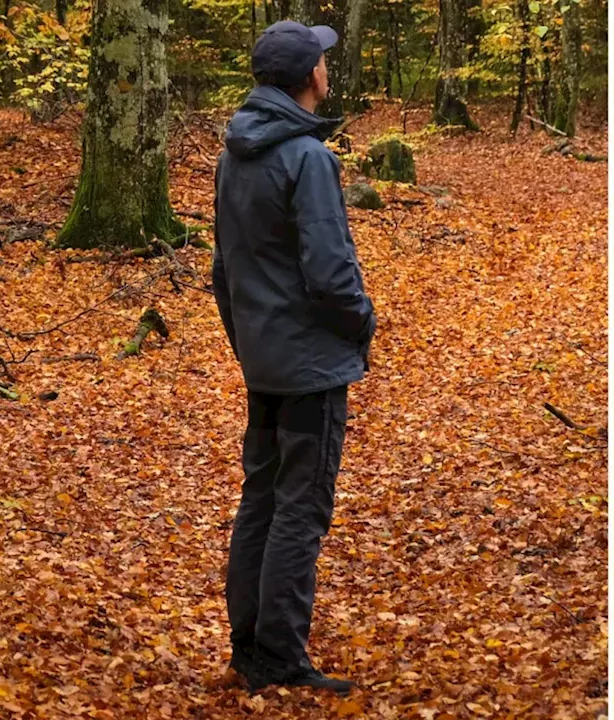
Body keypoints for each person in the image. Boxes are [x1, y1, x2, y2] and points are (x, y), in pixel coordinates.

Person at [211, 19, 376, 695]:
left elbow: (223, 271)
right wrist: (359, 324)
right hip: (308, 363)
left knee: (261, 500)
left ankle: (248, 647)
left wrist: (248, 341)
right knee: (299, 507)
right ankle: (278, 655)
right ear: (310, 76)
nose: (327, 70)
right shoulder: (308, 158)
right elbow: (331, 271)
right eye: (323, 61)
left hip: (264, 357)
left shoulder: (234, 152)